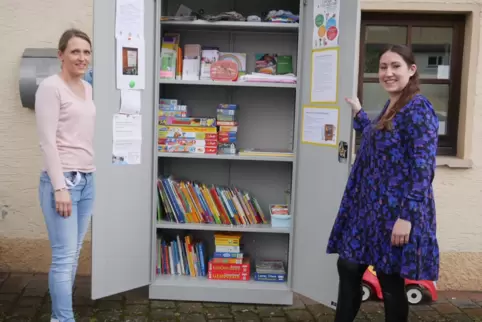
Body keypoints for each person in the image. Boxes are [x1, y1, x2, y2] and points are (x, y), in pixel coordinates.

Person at [326, 44, 439, 322]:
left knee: (389, 280)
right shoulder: (392, 105)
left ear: (411, 70)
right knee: (349, 266)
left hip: (396, 212)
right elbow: (377, 138)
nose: (388, 73)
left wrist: (406, 218)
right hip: (370, 210)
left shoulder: (418, 109)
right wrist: (358, 113)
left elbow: (423, 168)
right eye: (383, 67)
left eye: (395, 66)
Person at [35, 28, 96, 322]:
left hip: (87, 181)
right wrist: (59, 188)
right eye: (75, 51)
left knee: (72, 257)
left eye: (86, 52)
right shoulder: (50, 87)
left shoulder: (88, 88)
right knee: (63, 258)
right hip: (63, 183)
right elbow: (47, 141)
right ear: (61, 55)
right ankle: (62, 319)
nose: (81, 57)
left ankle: (60, 316)